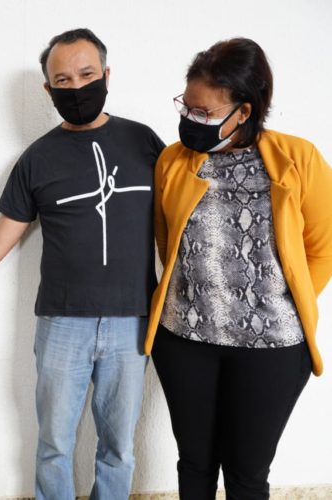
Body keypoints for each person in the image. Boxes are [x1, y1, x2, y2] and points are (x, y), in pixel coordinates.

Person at [0, 28, 164, 500]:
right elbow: (2, 234)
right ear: (48, 90)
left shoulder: (144, 142)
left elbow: (178, 218)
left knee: (120, 447)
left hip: (133, 319)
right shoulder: (38, 158)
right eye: (63, 80)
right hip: (63, 322)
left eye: (86, 75)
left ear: (106, 75)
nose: (76, 87)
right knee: (53, 446)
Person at [145, 38, 332, 499]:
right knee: (194, 465)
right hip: (185, 340)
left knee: (247, 473)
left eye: (204, 112)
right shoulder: (173, 161)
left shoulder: (299, 159)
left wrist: (280, 304)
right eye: (186, 107)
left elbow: (323, 249)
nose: (191, 119)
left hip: (271, 348)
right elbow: (168, 242)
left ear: (244, 111)